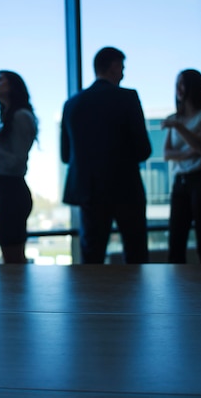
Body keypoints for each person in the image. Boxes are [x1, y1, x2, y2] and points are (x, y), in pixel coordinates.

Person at [61, 47, 152, 264]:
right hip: (126, 189)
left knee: (92, 259)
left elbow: (66, 155)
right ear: (114, 67)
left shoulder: (72, 104)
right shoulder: (128, 98)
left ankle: (93, 299)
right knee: (135, 255)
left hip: (89, 191)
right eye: (122, 68)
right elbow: (143, 149)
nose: (123, 74)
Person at [161, 69, 201, 264]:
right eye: (177, 84)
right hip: (180, 182)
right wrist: (189, 152)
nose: (179, 89)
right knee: (175, 243)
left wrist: (179, 128)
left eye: (183, 84)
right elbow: (166, 154)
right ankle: (176, 293)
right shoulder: (175, 117)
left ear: (194, 86)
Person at [0, 71, 38, 264]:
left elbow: (16, 160)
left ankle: (16, 294)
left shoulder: (20, 116)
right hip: (7, 193)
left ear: (13, 86)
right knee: (12, 257)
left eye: (1, 80)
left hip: (12, 193)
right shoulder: (8, 120)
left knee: (13, 258)